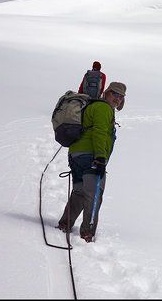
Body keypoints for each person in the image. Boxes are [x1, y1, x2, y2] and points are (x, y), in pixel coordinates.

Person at [57, 81, 126, 242]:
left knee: (80, 192)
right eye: (114, 94)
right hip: (91, 155)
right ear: (106, 92)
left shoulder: (93, 106)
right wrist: (100, 158)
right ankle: (87, 233)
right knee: (94, 194)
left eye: (121, 96)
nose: (117, 98)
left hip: (76, 154)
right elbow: (100, 132)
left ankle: (65, 224)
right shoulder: (103, 108)